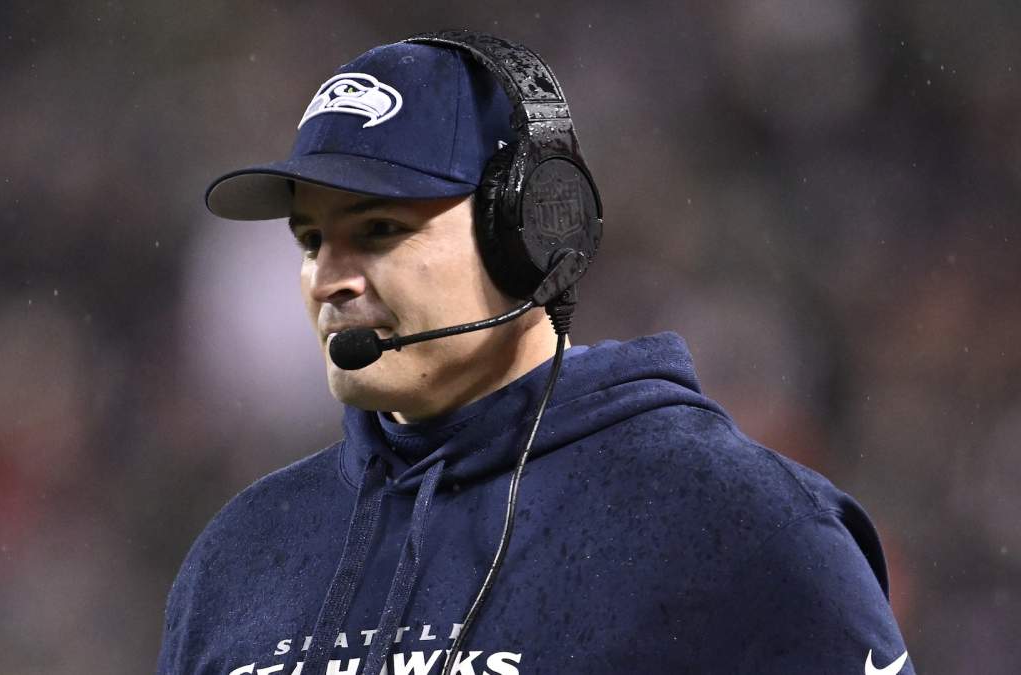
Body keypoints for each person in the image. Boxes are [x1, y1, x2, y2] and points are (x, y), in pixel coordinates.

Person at [158, 31, 914, 675]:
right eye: (311, 240)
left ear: (531, 234)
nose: (330, 279)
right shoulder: (240, 557)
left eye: (379, 230)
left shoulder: (740, 524)